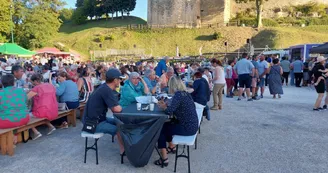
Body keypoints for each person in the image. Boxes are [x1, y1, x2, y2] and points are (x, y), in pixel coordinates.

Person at [155, 76, 198, 167]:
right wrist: (167, 105)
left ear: (172, 85)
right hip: (192, 125)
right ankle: (171, 147)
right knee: (168, 125)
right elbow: (176, 107)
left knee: (161, 129)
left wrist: (164, 107)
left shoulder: (178, 95)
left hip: (187, 127)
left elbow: (169, 111)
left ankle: (164, 159)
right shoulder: (185, 94)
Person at [82, 68, 126, 155]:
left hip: (94, 120)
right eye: (120, 79)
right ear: (115, 80)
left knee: (120, 122)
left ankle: (124, 148)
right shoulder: (106, 90)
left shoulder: (103, 87)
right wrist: (120, 107)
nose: (120, 81)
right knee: (120, 128)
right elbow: (116, 109)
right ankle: (123, 150)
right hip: (93, 124)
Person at [27, 74, 57, 140]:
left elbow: (26, 98)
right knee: (44, 112)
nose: (32, 84)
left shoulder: (37, 88)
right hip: (53, 110)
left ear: (35, 81)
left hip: (41, 112)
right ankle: (51, 126)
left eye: (32, 82)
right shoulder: (50, 85)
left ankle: (36, 132)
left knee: (25, 116)